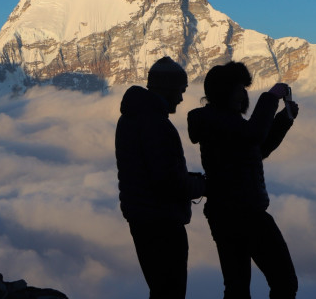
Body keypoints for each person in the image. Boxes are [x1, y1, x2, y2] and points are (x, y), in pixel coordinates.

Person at [187, 61, 299, 299]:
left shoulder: (220, 121)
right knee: (284, 281)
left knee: (237, 287)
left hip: (225, 215)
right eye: (240, 88)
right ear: (226, 91)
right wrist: (271, 97)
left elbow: (254, 150)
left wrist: (283, 120)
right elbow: (254, 136)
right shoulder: (218, 120)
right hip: (246, 214)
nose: (244, 94)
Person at [116, 56, 206, 299]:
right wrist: (203, 185)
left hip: (141, 218)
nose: (181, 97)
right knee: (170, 292)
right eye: (181, 90)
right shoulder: (155, 124)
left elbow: (153, 171)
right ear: (168, 89)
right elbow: (167, 182)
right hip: (161, 222)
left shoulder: (130, 118)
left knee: (160, 290)